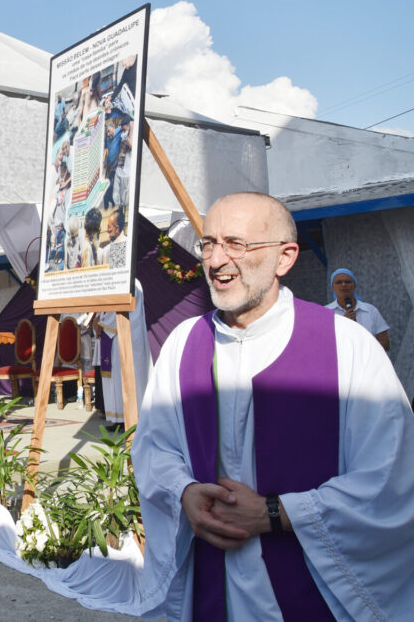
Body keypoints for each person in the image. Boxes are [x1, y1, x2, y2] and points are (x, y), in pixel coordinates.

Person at [133, 192, 414, 620]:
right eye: (208, 243)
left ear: (285, 258)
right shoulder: (182, 344)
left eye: (236, 244)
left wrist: (277, 513)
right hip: (211, 581)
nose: (215, 260)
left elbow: (392, 475)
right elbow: (154, 446)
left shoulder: (346, 346)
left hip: (312, 587)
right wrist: (183, 492)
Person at [95, 279, 152, 431]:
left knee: (130, 379)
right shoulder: (118, 280)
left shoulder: (131, 282)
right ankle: (119, 419)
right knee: (116, 380)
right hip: (116, 336)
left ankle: (132, 420)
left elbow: (120, 310)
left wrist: (101, 323)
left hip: (128, 335)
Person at [325, 268, 389, 351]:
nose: (343, 285)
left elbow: (386, 344)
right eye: (339, 282)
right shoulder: (325, 312)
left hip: (368, 361)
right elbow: (323, 345)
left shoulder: (370, 310)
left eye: (348, 282)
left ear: (354, 285)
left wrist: (363, 349)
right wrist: (343, 325)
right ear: (332, 287)